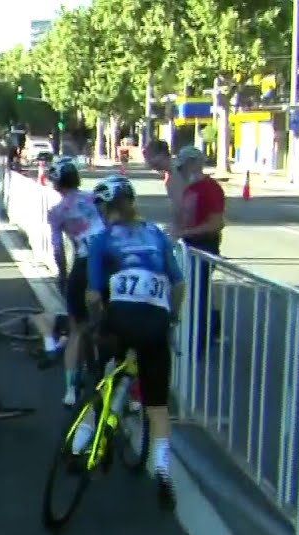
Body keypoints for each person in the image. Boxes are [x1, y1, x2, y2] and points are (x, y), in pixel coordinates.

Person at [81, 175, 186, 509]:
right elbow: (178, 284)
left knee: (100, 376)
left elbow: (94, 293)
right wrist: (173, 318)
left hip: (120, 318)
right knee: (157, 406)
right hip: (155, 320)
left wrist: (96, 319)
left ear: (105, 207)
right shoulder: (156, 233)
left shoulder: (102, 239)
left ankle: (84, 437)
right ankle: (161, 467)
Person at [33, 157, 106, 407]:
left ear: (56, 183)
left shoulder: (57, 212)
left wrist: (62, 275)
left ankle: (70, 390)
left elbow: (57, 249)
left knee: (76, 329)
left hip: (83, 266)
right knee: (106, 324)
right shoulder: (95, 199)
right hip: (108, 263)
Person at [173, 145, 225, 353]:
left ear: (194, 164)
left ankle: (201, 339)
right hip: (190, 246)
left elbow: (216, 223)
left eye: (184, 167)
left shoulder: (210, 189)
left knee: (199, 294)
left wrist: (186, 233)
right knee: (193, 293)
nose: (182, 172)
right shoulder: (191, 188)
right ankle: (199, 334)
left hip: (203, 246)